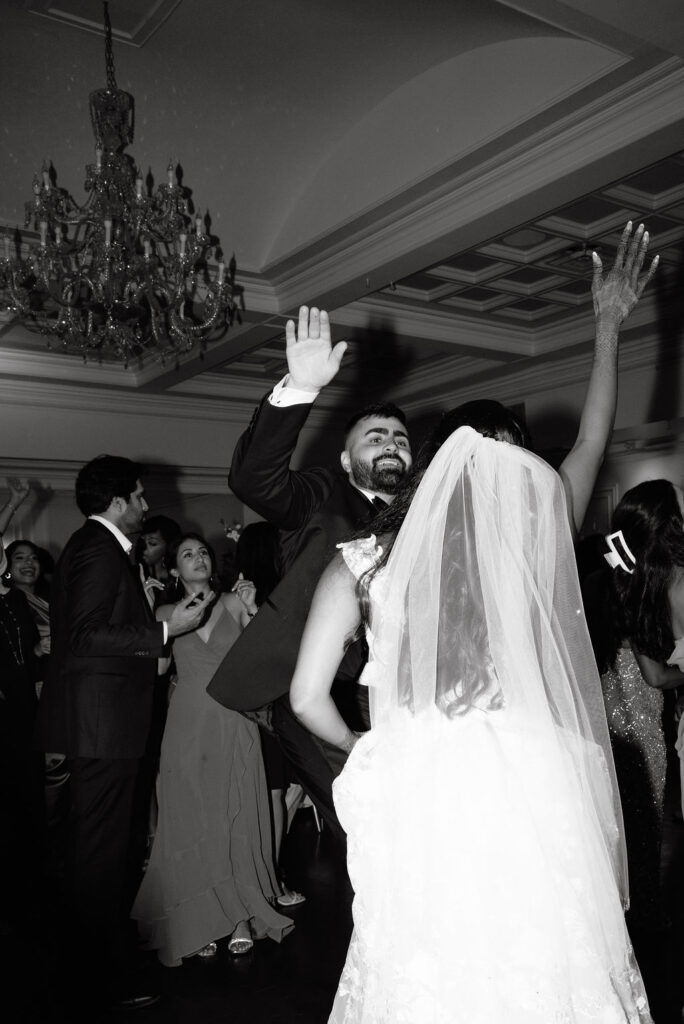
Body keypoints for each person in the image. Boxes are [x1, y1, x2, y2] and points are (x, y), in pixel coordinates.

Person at [290, 223, 657, 1022]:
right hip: (527, 768)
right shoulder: (532, 536)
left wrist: (369, 748)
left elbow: (304, 698)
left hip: (419, 781)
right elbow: (593, 441)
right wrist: (605, 326)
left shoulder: (363, 562)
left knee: (428, 958)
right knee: (538, 953)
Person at [208, 308, 413, 842]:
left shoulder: (424, 521)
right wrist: (300, 386)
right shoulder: (324, 495)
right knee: (361, 821)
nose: (390, 442)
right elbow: (254, 480)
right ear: (347, 461)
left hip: (393, 694)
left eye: (400, 438)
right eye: (375, 437)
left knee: (404, 821)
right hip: (309, 692)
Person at [36, 455, 213, 1013]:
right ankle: (96, 980)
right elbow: (87, 637)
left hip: (104, 724)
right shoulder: (96, 548)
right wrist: (167, 628)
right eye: (137, 496)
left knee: (101, 853)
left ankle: (91, 969)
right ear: (116, 502)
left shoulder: (100, 548)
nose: (144, 505)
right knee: (99, 857)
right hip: (101, 725)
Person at [132, 533, 292, 965]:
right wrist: (149, 618)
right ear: (174, 570)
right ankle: (199, 916)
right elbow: (160, 670)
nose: (198, 558)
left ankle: (237, 917)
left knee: (232, 811)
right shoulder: (167, 611)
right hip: (186, 723)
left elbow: (267, 658)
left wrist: (256, 607)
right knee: (191, 816)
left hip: (231, 718)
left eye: (202, 551)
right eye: (187, 554)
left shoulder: (235, 604)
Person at [584, 480, 684, 933]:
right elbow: (656, 676)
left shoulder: (610, 565)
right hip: (637, 722)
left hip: (606, 712)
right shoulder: (640, 584)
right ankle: (639, 918)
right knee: (642, 826)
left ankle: (624, 911)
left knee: (615, 824)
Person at [235, 521, 305, 906]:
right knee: (277, 792)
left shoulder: (246, 591)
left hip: (264, 702)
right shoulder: (258, 596)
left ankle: (267, 875)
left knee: (284, 792)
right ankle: (269, 881)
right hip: (271, 703)